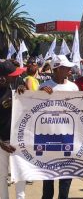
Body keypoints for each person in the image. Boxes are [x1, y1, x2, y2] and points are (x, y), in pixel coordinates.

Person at [39, 55, 79, 199]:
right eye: (65, 67)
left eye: (69, 67)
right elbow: (34, 109)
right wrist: (39, 95)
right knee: (48, 181)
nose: (69, 69)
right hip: (48, 139)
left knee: (66, 180)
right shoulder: (43, 87)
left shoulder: (73, 87)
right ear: (57, 69)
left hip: (68, 139)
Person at [0, 60, 26, 199]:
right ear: (3, 77)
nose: (16, 77)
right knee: (2, 176)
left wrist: (24, 90)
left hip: (18, 141)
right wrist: (1, 143)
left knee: (20, 174)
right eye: (13, 75)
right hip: (2, 143)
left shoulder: (14, 88)